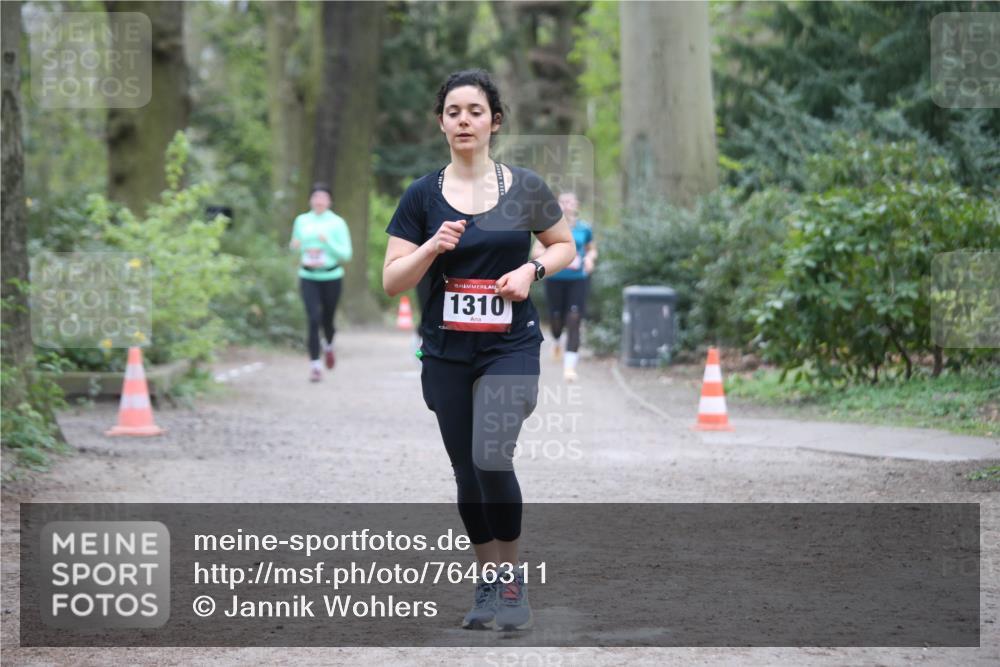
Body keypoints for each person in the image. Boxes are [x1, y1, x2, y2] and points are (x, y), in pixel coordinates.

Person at [382, 69, 574, 631]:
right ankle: (488, 581)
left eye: (475, 110)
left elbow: (561, 245)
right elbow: (392, 280)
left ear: (494, 120)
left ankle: (512, 583)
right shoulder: (420, 196)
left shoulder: (525, 188)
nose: (464, 120)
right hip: (446, 351)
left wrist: (531, 269)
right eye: (453, 111)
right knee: (467, 470)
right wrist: (431, 249)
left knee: (492, 457)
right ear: (441, 122)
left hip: (509, 347)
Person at [289, 183, 353, 382]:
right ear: (310, 200)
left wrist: (328, 242)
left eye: (323, 198)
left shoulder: (337, 223)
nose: (319, 201)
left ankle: (329, 345)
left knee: (327, 319)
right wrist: (295, 246)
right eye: (316, 197)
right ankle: (315, 366)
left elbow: (346, 254)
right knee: (313, 318)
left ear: (329, 201)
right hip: (308, 276)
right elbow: (294, 247)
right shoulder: (301, 220)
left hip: (332, 276)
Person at [532, 191, 597, 381]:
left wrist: (590, 259)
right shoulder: (550, 227)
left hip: (578, 279)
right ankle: (557, 340)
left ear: (576, 205)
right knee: (556, 318)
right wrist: (553, 258)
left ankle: (570, 368)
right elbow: (536, 251)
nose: (566, 205)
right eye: (562, 202)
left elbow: (591, 249)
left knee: (575, 318)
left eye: (569, 202)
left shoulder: (585, 228)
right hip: (555, 278)